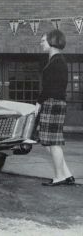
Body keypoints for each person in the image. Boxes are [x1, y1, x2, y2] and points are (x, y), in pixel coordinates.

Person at [36, 29, 74, 186]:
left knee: (52, 143)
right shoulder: (58, 60)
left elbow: (49, 88)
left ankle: (59, 176)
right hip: (56, 102)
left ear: (52, 41)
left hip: (52, 102)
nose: (41, 43)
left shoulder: (56, 62)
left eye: (43, 40)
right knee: (50, 142)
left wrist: (38, 103)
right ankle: (67, 174)